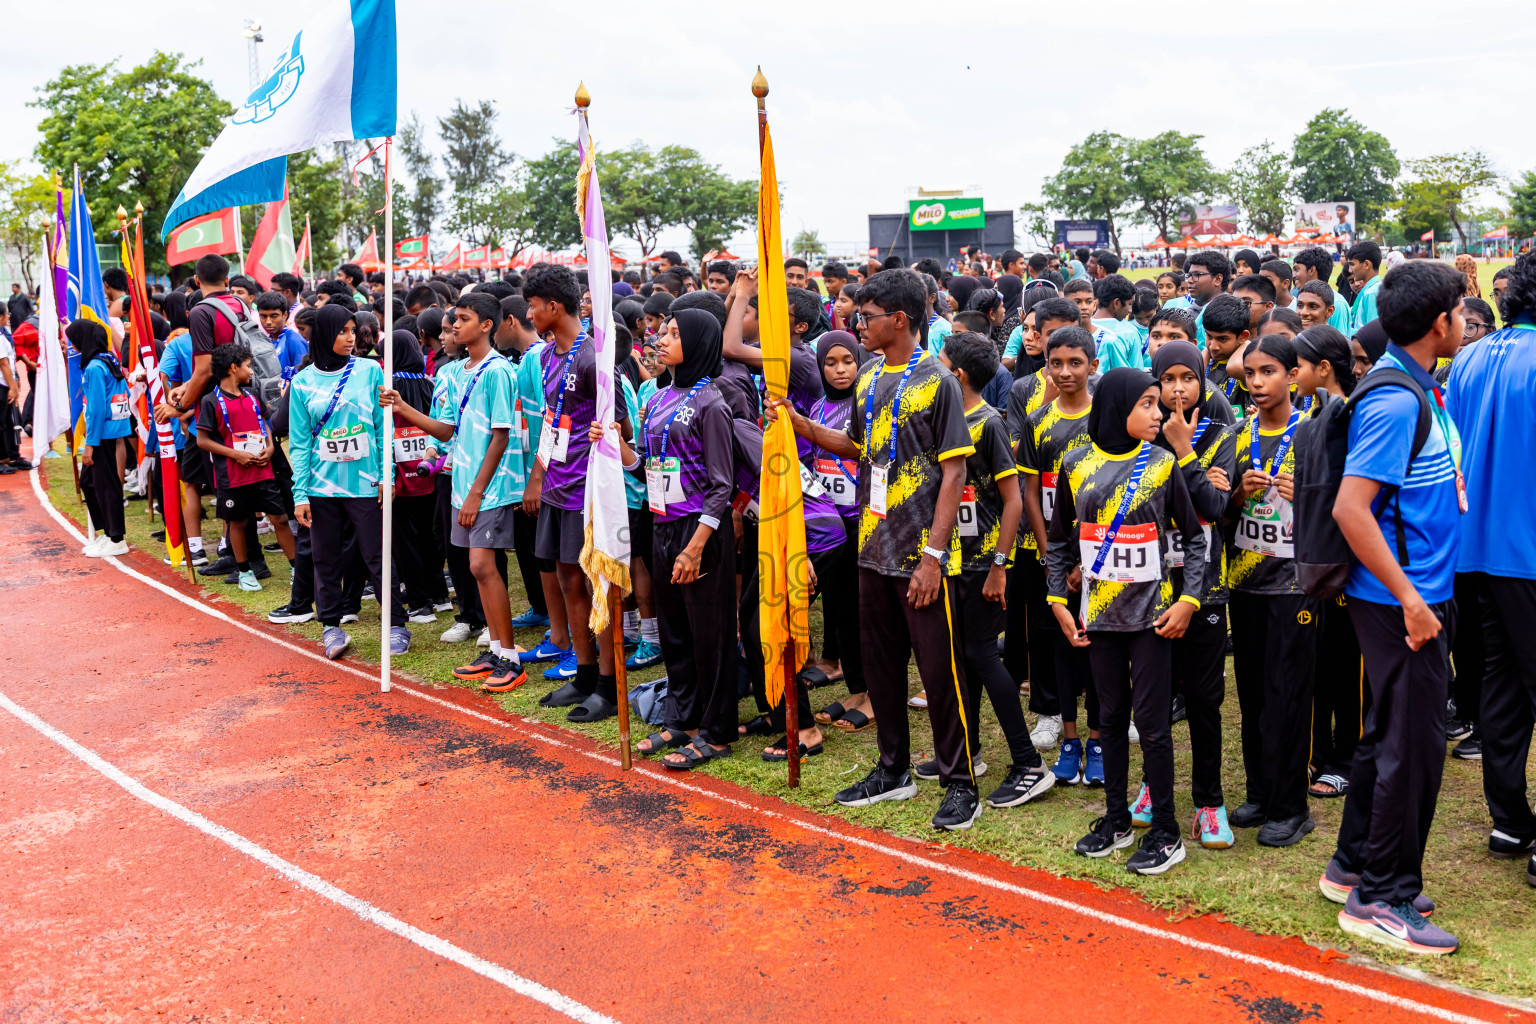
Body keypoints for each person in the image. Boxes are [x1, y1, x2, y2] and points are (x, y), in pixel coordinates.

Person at [780, 269, 978, 830]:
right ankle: (893, 770)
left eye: (864, 316)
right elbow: (861, 447)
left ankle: (959, 781)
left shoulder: (937, 381)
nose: (853, 323)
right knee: (882, 666)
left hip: (920, 554)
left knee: (940, 673)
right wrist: (798, 424)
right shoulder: (868, 376)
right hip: (872, 547)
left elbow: (955, 469)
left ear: (899, 319)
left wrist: (933, 557)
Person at [1326, 258, 1466, 955]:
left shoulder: (1417, 385)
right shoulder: (1395, 400)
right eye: (1462, 312)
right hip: (1399, 599)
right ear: (1440, 322)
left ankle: (1353, 864)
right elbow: (1352, 509)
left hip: (1416, 592)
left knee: (1390, 738)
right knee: (1413, 751)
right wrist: (1412, 599)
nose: (1466, 323)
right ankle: (1381, 896)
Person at [1046, 367, 1206, 874]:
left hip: (1153, 620)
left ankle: (1166, 831)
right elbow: (1057, 543)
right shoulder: (1075, 462)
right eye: (1147, 404)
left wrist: (1189, 601)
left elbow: (1196, 539)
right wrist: (1057, 602)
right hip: (1099, 619)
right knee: (1109, 720)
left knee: (1153, 727)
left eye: (1158, 404)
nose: (1160, 413)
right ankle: (1116, 819)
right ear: (1118, 408)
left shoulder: (1161, 464)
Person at [608, 309, 739, 767]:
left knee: (710, 635)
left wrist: (696, 545)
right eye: (662, 332)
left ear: (700, 342)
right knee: (675, 632)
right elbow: (646, 466)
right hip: (661, 524)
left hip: (699, 531)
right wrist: (615, 444)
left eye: (674, 333)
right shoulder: (659, 395)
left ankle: (718, 730)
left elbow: (723, 485)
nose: (661, 339)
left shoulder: (712, 402)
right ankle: (682, 716)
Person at [1445, 251, 1536, 888]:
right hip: (1526, 551)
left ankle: (1509, 820)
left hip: (1475, 548)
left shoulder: (1474, 355)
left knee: (1501, 685)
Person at [382, 295, 526, 692]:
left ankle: (510, 657)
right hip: (461, 482)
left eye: (463, 319)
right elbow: (447, 431)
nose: (455, 326)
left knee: (482, 565)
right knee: (474, 566)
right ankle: (495, 649)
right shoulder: (456, 371)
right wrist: (403, 408)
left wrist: (478, 491)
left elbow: (500, 436)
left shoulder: (498, 371)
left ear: (486, 326)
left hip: (489, 486)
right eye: (453, 320)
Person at [937, 331, 1053, 809]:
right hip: (952, 561)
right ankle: (971, 752)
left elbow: (1012, 502)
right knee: (962, 657)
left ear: (958, 375)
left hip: (983, 561)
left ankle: (1028, 763)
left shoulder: (988, 424)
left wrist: (999, 566)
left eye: (941, 365)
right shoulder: (944, 421)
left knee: (983, 656)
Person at [1227, 335, 1321, 847]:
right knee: (1254, 692)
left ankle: (1292, 805)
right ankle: (1260, 791)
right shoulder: (1238, 434)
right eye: (1250, 375)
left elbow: (1342, 510)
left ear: (1292, 375)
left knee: (1289, 695)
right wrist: (1238, 493)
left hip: (1294, 586)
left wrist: (1302, 497)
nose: (1258, 383)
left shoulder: (1312, 434)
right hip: (1245, 583)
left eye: (1268, 372)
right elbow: (1216, 513)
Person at [524, 263, 622, 722]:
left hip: (590, 490)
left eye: (532, 306)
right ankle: (582, 674)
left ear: (553, 306)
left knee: (595, 582)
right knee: (566, 579)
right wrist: (539, 474)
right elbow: (550, 420)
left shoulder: (595, 358)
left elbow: (616, 426)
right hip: (557, 488)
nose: (529, 314)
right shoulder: (545, 356)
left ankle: (607, 683)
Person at [1152, 341, 1238, 849]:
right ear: (1156, 383)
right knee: (1155, 699)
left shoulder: (1223, 435)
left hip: (1206, 586)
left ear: (1203, 379)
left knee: (1206, 700)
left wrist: (1186, 452)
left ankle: (1210, 802)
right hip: (1153, 584)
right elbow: (1148, 502)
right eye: (1169, 379)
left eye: (1189, 377)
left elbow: (1215, 508)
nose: (1179, 388)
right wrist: (1196, 479)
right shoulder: (1142, 432)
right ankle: (1150, 788)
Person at [288, 304, 409, 660]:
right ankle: (330, 625)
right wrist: (300, 493)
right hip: (321, 487)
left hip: (366, 483)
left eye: (353, 330)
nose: (350, 337)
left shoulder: (371, 370)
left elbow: (382, 425)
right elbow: (298, 441)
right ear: (324, 334)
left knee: (377, 555)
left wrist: (387, 476)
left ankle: (396, 624)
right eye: (342, 331)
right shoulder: (303, 381)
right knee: (325, 558)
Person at [1020, 326, 1103, 786]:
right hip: (1051, 553)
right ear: (1045, 366)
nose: (1066, 372)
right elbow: (1031, 489)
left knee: (1098, 641)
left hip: (1098, 552)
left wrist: (1082, 559)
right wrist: (1051, 550)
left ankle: (1100, 730)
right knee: (1056, 639)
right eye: (1057, 363)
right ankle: (1061, 726)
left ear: (1092, 364)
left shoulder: (1105, 418)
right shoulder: (1038, 421)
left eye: (1076, 363)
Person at [1292, 327, 1364, 800]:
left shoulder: (1349, 417)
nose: (1290, 372)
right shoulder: (1314, 417)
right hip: (1316, 562)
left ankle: (1350, 758)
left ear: (1323, 369)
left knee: (1347, 670)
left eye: (1298, 364)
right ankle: (1316, 755)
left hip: (1347, 565)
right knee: (1317, 664)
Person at [798, 331, 869, 733]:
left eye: (848, 361)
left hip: (863, 522)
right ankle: (856, 687)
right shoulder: (820, 407)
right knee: (839, 611)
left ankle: (874, 692)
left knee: (864, 612)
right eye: (831, 363)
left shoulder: (864, 405)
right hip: (831, 525)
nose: (840, 370)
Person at [195, 341, 296, 591]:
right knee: (238, 523)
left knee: (280, 518)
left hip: (262, 469)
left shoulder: (251, 395)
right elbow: (202, 440)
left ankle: (298, 569)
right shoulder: (211, 401)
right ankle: (244, 572)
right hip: (234, 474)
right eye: (248, 366)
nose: (251, 371)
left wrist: (270, 448)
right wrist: (234, 455)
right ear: (233, 367)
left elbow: (266, 424)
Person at [71, 320, 130, 557]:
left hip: (103, 434)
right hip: (109, 431)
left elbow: (96, 409)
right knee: (89, 482)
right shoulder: (109, 359)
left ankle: (117, 539)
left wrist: (90, 446)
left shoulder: (96, 367)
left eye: (74, 340)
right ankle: (107, 532)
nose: (72, 345)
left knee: (107, 487)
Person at [1294, 247, 1355, 335]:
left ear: (1311, 270)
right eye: (1300, 306)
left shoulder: (1336, 303)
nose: (1293, 275)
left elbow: (1340, 342)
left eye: (1296, 270)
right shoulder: (1300, 298)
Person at [255, 291, 309, 381]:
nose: (268, 321)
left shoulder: (294, 341)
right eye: (263, 316)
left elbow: (303, 376)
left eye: (274, 316)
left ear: (285, 315)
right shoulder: (267, 340)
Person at [1346, 241, 1384, 333]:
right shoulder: (1377, 288)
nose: (1350, 270)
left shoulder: (1371, 293)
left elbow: (1373, 334)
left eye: (1352, 264)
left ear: (1367, 264)